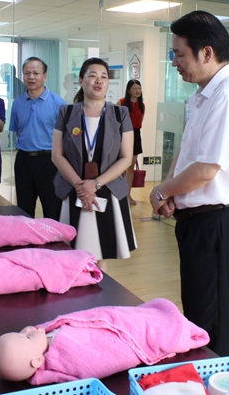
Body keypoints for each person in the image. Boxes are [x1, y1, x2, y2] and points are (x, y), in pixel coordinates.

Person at [149, 11, 229, 357]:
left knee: (212, 329)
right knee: (198, 319)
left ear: (206, 53)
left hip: (217, 224)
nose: (174, 62)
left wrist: (162, 191)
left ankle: (219, 380)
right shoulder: (204, 95)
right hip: (198, 223)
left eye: (179, 54)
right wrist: (171, 192)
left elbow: (207, 169)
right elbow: (188, 155)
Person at [0, 298, 209, 385]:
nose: (29, 329)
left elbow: (88, 316)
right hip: (126, 336)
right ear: (37, 361)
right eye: (27, 336)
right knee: (153, 327)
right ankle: (173, 328)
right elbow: (99, 358)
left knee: (137, 316)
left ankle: (164, 320)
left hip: (117, 319)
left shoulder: (44, 341)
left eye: (21, 331)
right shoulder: (65, 356)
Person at [51, 57, 137, 270]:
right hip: (72, 189)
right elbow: (57, 155)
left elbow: (126, 157)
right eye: (92, 76)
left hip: (108, 188)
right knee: (71, 253)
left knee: (102, 253)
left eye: (103, 77)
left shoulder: (120, 114)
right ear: (81, 81)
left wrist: (95, 184)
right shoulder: (66, 112)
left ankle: (100, 288)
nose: (98, 81)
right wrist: (81, 186)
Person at [9, 57, 67, 218]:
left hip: (49, 162)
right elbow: (18, 131)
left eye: (36, 73)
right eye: (27, 73)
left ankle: (52, 235)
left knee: (52, 208)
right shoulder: (18, 102)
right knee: (24, 209)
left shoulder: (58, 103)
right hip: (23, 161)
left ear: (44, 76)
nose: (31, 77)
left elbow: (65, 136)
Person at [0, 249, 102, 294]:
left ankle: (78, 265)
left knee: (46, 258)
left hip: (31, 258)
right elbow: (22, 279)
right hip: (36, 266)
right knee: (52, 263)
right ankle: (81, 268)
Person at [117, 79, 145, 204]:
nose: (137, 91)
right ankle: (118, 193)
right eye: (134, 88)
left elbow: (140, 122)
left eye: (139, 88)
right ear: (129, 91)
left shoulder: (142, 105)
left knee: (130, 166)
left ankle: (127, 195)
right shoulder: (122, 102)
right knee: (119, 165)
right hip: (123, 134)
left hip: (136, 134)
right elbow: (114, 120)